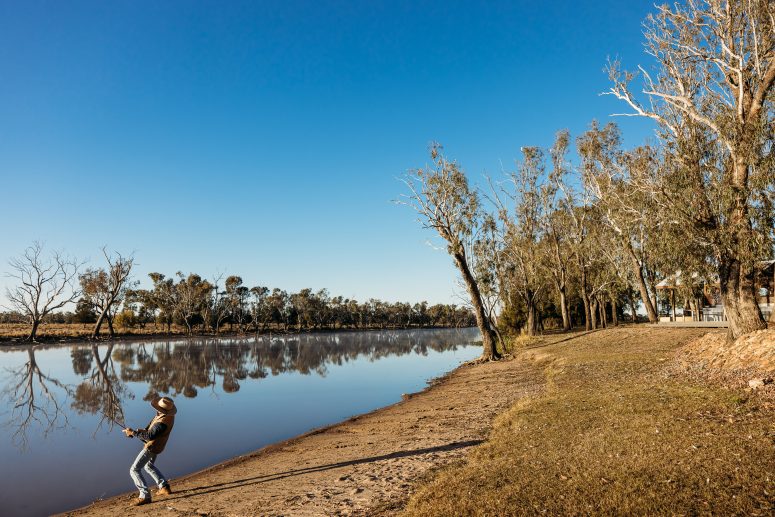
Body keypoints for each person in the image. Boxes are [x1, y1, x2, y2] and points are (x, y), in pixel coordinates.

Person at [122, 396, 177, 506]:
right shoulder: (165, 416)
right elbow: (150, 431)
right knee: (148, 466)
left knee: (134, 470)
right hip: (157, 446)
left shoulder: (162, 421)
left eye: (159, 408)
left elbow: (150, 436)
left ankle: (145, 495)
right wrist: (135, 432)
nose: (156, 409)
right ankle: (164, 487)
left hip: (152, 447)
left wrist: (133, 433)